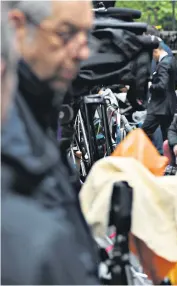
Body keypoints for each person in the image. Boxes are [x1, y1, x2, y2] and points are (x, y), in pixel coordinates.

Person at [1, 0, 99, 281]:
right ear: (18, 27)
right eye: (66, 33)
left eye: (87, 34)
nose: (83, 50)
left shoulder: (40, 103)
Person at [142, 40, 177, 145]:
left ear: (155, 51)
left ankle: (145, 158)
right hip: (169, 105)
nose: (153, 58)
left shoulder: (163, 64)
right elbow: (174, 84)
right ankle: (169, 160)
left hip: (159, 107)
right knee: (166, 136)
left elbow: (161, 85)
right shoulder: (172, 60)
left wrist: (150, 86)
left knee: (143, 133)